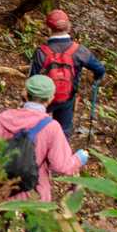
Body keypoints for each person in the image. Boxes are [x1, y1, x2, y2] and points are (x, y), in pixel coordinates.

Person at [0, 74, 87, 232]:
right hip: (35, 188)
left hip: (4, 185)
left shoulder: (6, 119)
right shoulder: (52, 128)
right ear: (50, 98)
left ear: (25, 93)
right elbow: (61, 166)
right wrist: (80, 158)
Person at [28, 9, 105, 137]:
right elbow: (100, 69)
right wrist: (97, 78)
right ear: (68, 26)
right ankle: (61, 147)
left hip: (43, 98)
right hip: (67, 97)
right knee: (63, 132)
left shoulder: (41, 52)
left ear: (48, 28)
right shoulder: (79, 50)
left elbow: (32, 79)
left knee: (35, 129)